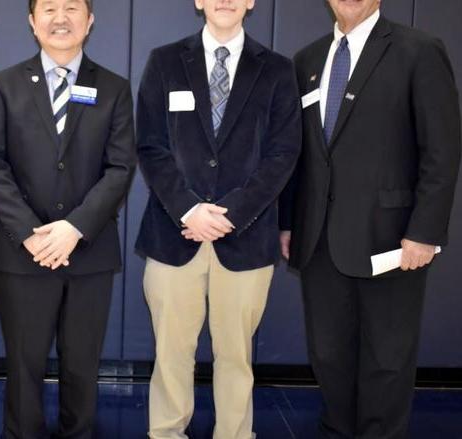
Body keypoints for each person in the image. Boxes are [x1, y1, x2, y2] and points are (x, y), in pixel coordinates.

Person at [280, 0, 461, 437]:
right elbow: (297, 154)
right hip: (318, 239)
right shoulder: (307, 59)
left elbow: (442, 150)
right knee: (329, 354)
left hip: (392, 241)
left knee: (386, 358)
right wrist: (288, 222)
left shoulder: (418, 50)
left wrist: (424, 232)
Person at [134, 0, 301, 437]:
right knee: (170, 353)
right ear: (198, 1)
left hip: (246, 238)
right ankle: (166, 433)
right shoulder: (165, 61)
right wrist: (189, 208)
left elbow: (283, 154)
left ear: (250, 2)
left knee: (236, 355)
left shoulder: (279, 70)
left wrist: (230, 215)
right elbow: (150, 146)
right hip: (174, 232)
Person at [0, 0, 137, 436]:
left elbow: (121, 168)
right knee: (23, 369)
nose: (60, 18)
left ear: (90, 22)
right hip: (22, 254)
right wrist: (31, 233)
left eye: (72, 8)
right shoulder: (4, 85)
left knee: (82, 367)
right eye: (49, 8)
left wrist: (74, 228)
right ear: (32, 22)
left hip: (90, 252)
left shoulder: (114, 88)